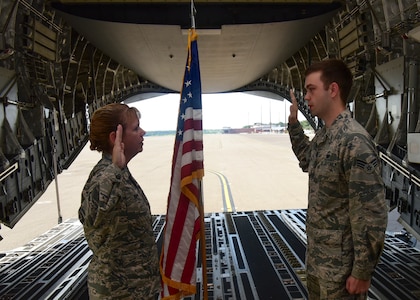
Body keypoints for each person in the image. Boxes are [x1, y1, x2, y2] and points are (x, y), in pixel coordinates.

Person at [287, 59, 388, 299]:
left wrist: (362, 271)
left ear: (332, 90)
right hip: (319, 263)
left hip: (341, 274)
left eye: (311, 90)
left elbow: (371, 213)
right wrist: (293, 124)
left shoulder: (354, 141)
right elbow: (306, 160)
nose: (307, 97)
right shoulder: (326, 136)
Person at [79, 103, 160, 299]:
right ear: (116, 138)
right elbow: (91, 214)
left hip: (136, 290)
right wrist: (115, 169)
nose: (143, 132)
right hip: (118, 293)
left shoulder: (119, 173)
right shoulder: (105, 174)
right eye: (135, 128)